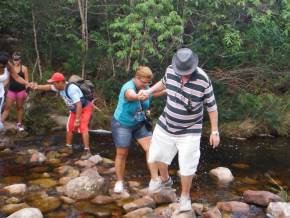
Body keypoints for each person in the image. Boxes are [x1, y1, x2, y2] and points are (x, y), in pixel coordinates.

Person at [141, 48, 220, 213]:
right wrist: (148, 91)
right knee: (157, 153)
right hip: (166, 122)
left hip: (190, 129)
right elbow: (163, 83)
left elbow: (212, 107)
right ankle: (164, 180)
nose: (183, 76)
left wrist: (214, 131)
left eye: (187, 73)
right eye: (181, 72)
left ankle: (185, 197)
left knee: (187, 166)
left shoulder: (203, 80)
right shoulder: (170, 70)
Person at [111, 66, 165, 193]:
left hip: (139, 124)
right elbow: (131, 95)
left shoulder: (146, 88)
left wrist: (170, 89)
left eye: (148, 83)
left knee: (151, 149)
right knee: (122, 153)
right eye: (143, 82)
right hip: (122, 124)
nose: (146, 85)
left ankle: (155, 179)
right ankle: (119, 182)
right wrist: (139, 96)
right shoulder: (128, 87)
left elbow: (156, 92)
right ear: (136, 78)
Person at [34, 72, 93, 159]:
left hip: (84, 109)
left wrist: (77, 120)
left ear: (61, 82)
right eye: (53, 82)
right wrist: (37, 87)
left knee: (83, 127)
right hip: (74, 110)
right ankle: (68, 147)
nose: (53, 84)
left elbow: (79, 105)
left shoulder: (71, 89)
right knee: (69, 127)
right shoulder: (59, 87)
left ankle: (87, 151)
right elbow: (48, 87)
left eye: (54, 82)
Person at [0, 51, 32, 131]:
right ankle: (1, 122)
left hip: (8, 93)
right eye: (14, 59)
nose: (3, 68)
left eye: (4, 66)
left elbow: (17, 77)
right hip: (11, 90)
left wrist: (28, 85)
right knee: (7, 107)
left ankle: (19, 123)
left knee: (19, 107)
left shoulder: (10, 66)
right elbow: (6, 81)